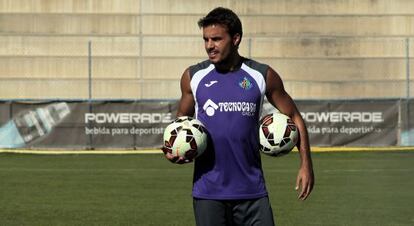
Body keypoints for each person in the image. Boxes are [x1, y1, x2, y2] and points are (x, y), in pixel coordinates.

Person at [162, 7, 314, 226]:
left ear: (235, 39)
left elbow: (295, 117)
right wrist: (176, 150)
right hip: (208, 193)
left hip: (252, 191)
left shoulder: (262, 75)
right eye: (205, 39)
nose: (209, 46)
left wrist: (306, 165)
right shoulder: (193, 77)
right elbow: (180, 125)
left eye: (216, 39)